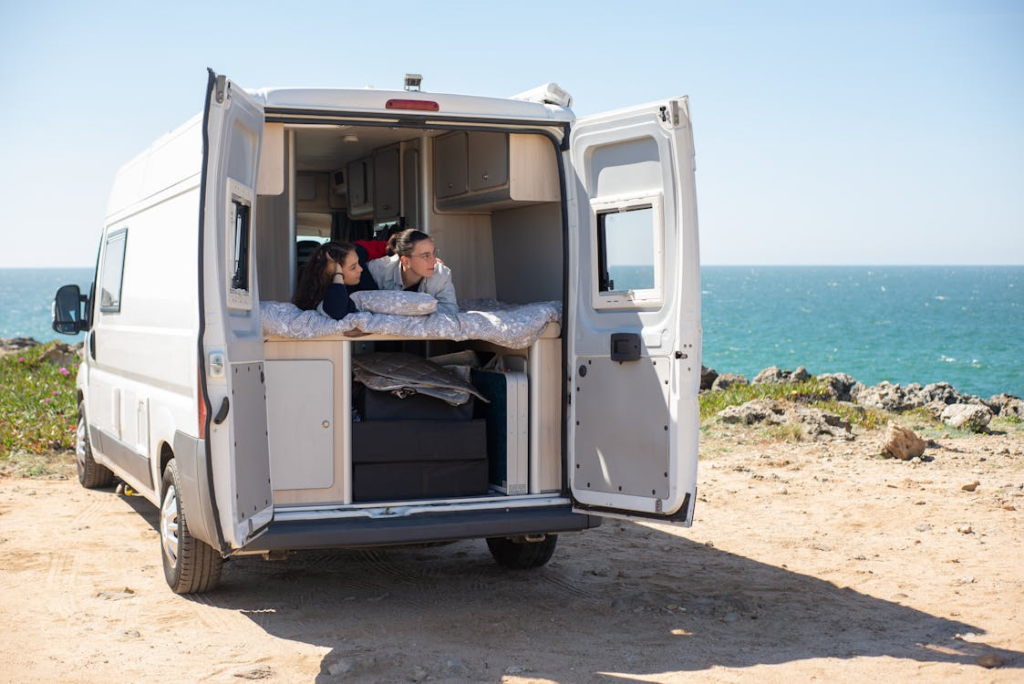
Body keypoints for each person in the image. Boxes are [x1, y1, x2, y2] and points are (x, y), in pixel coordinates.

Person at [367, 229, 458, 314]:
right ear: (406, 261)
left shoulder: (441, 274)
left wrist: (408, 307)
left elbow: (450, 310)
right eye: (425, 256)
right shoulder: (377, 270)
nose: (434, 261)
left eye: (433, 253)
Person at [292, 241, 375, 319]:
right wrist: (337, 273)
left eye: (358, 263)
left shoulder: (350, 287)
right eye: (353, 267)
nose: (361, 269)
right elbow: (338, 311)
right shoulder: (324, 300)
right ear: (331, 271)